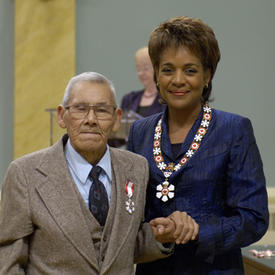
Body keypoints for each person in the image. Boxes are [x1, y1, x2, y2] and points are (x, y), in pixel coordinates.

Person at [0, 72, 199, 274]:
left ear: (116, 119)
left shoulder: (137, 168)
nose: (91, 119)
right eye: (80, 109)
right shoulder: (25, 174)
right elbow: (8, 260)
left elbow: (122, 246)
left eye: (102, 110)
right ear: (62, 116)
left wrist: (161, 236)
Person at [127, 16, 269, 274]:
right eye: (168, 69)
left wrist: (197, 231)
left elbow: (254, 219)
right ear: (157, 74)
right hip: (154, 269)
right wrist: (155, 229)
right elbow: (130, 209)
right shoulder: (140, 131)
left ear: (207, 75)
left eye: (190, 70)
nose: (178, 80)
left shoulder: (233, 130)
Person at [121, 46, 165, 118]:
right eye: (138, 69)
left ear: (157, 68)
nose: (141, 73)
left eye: (146, 68)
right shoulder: (129, 99)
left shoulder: (166, 99)